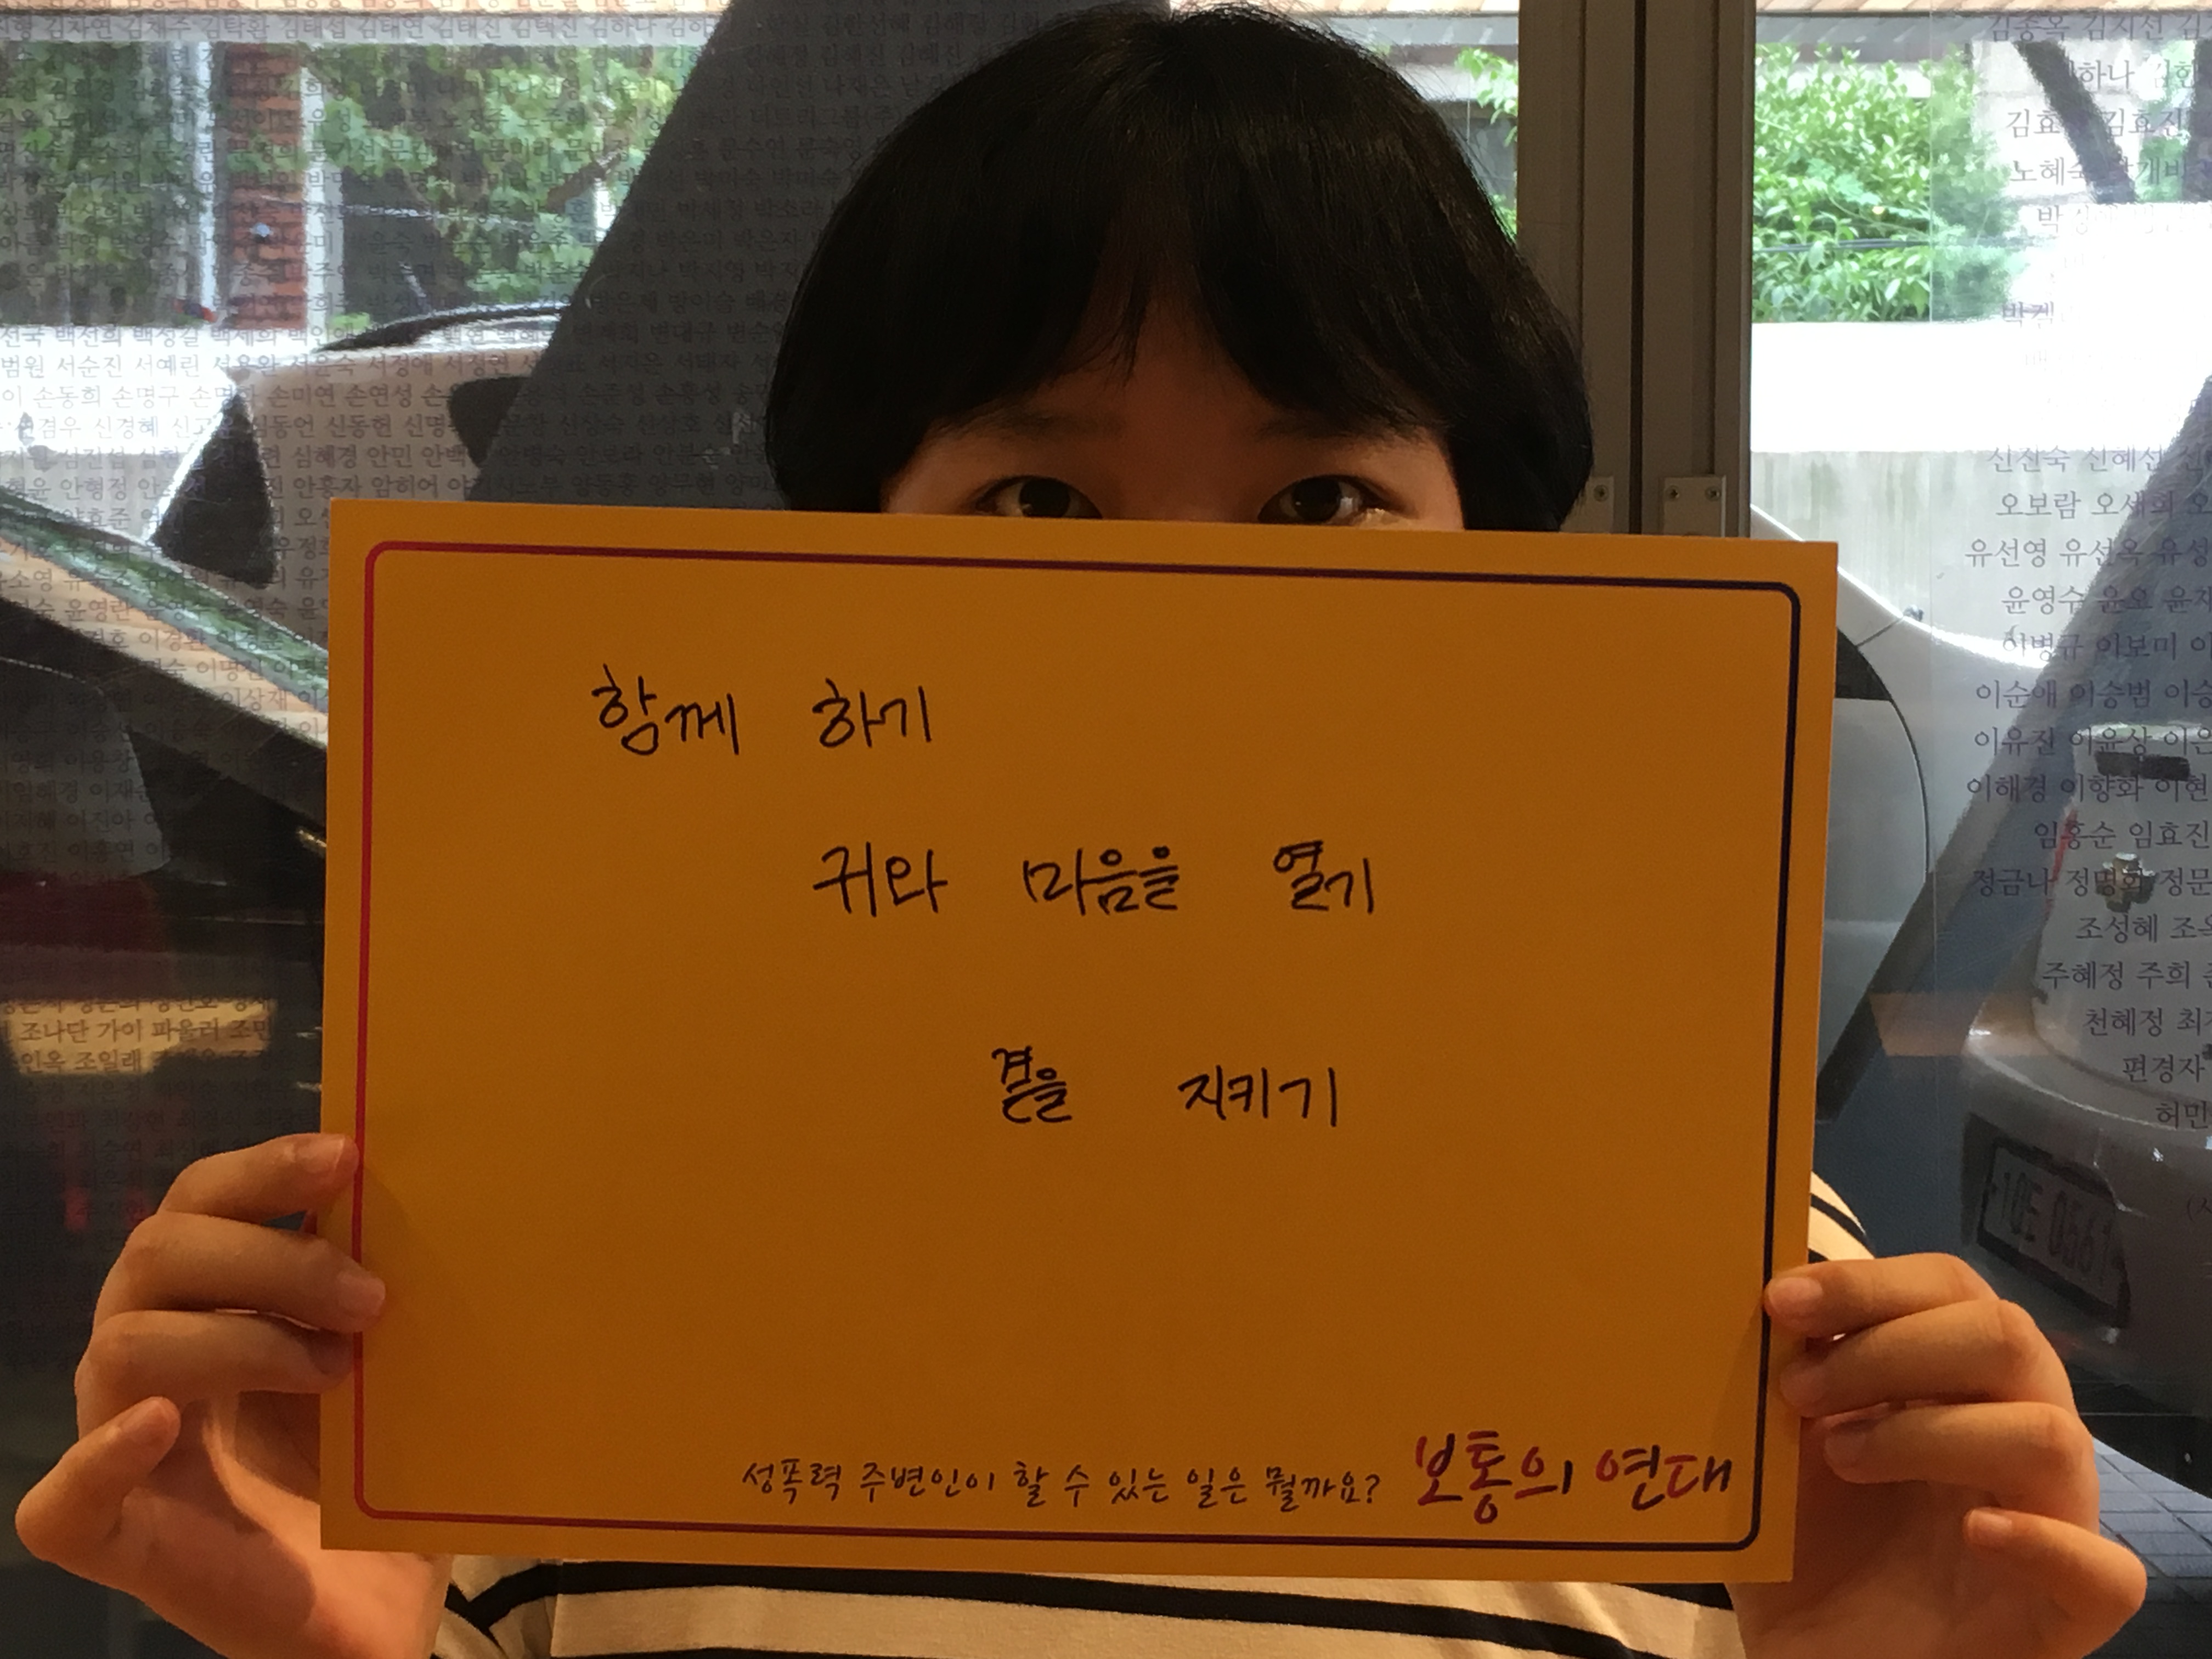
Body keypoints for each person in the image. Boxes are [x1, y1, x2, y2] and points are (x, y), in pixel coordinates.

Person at [15, 8, 2146, 1658]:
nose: (1179, 622)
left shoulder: (1737, 1310)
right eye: (1039, 500)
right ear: (844, 559)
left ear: (1513, 573)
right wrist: (336, 1641)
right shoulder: (536, 1235)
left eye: (1322, 503)